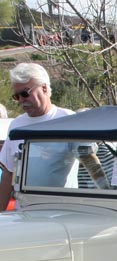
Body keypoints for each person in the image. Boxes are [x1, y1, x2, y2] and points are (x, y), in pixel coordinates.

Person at [0, 63, 74, 209]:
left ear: (44, 88)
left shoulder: (69, 120)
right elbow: (8, 173)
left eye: (25, 93)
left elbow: (90, 162)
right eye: (17, 96)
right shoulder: (16, 125)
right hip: (25, 214)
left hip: (62, 214)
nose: (21, 100)